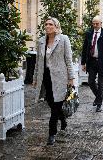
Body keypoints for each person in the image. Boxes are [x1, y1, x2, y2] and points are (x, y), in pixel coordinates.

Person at [33, 17, 74, 145]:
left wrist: (71, 78)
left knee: (55, 106)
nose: (47, 26)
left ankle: (52, 133)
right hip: (46, 78)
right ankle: (63, 119)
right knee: (51, 102)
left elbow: (68, 60)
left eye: (50, 24)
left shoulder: (63, 39)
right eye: (46, 24)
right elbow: (38, 63)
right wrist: (35, 78)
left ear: (56, 27)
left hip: (60, 78)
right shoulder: (40, 41)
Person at [81, 15, 103, 112]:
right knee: (91, 81)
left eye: (97, 23)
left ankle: (99, 104)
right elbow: (84, 49)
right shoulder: (88, 33)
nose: (95, 25)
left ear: (101, 23)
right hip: (91, 62)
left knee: (100, 83)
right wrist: (83, 63)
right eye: (94, 23)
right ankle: (98, 97)